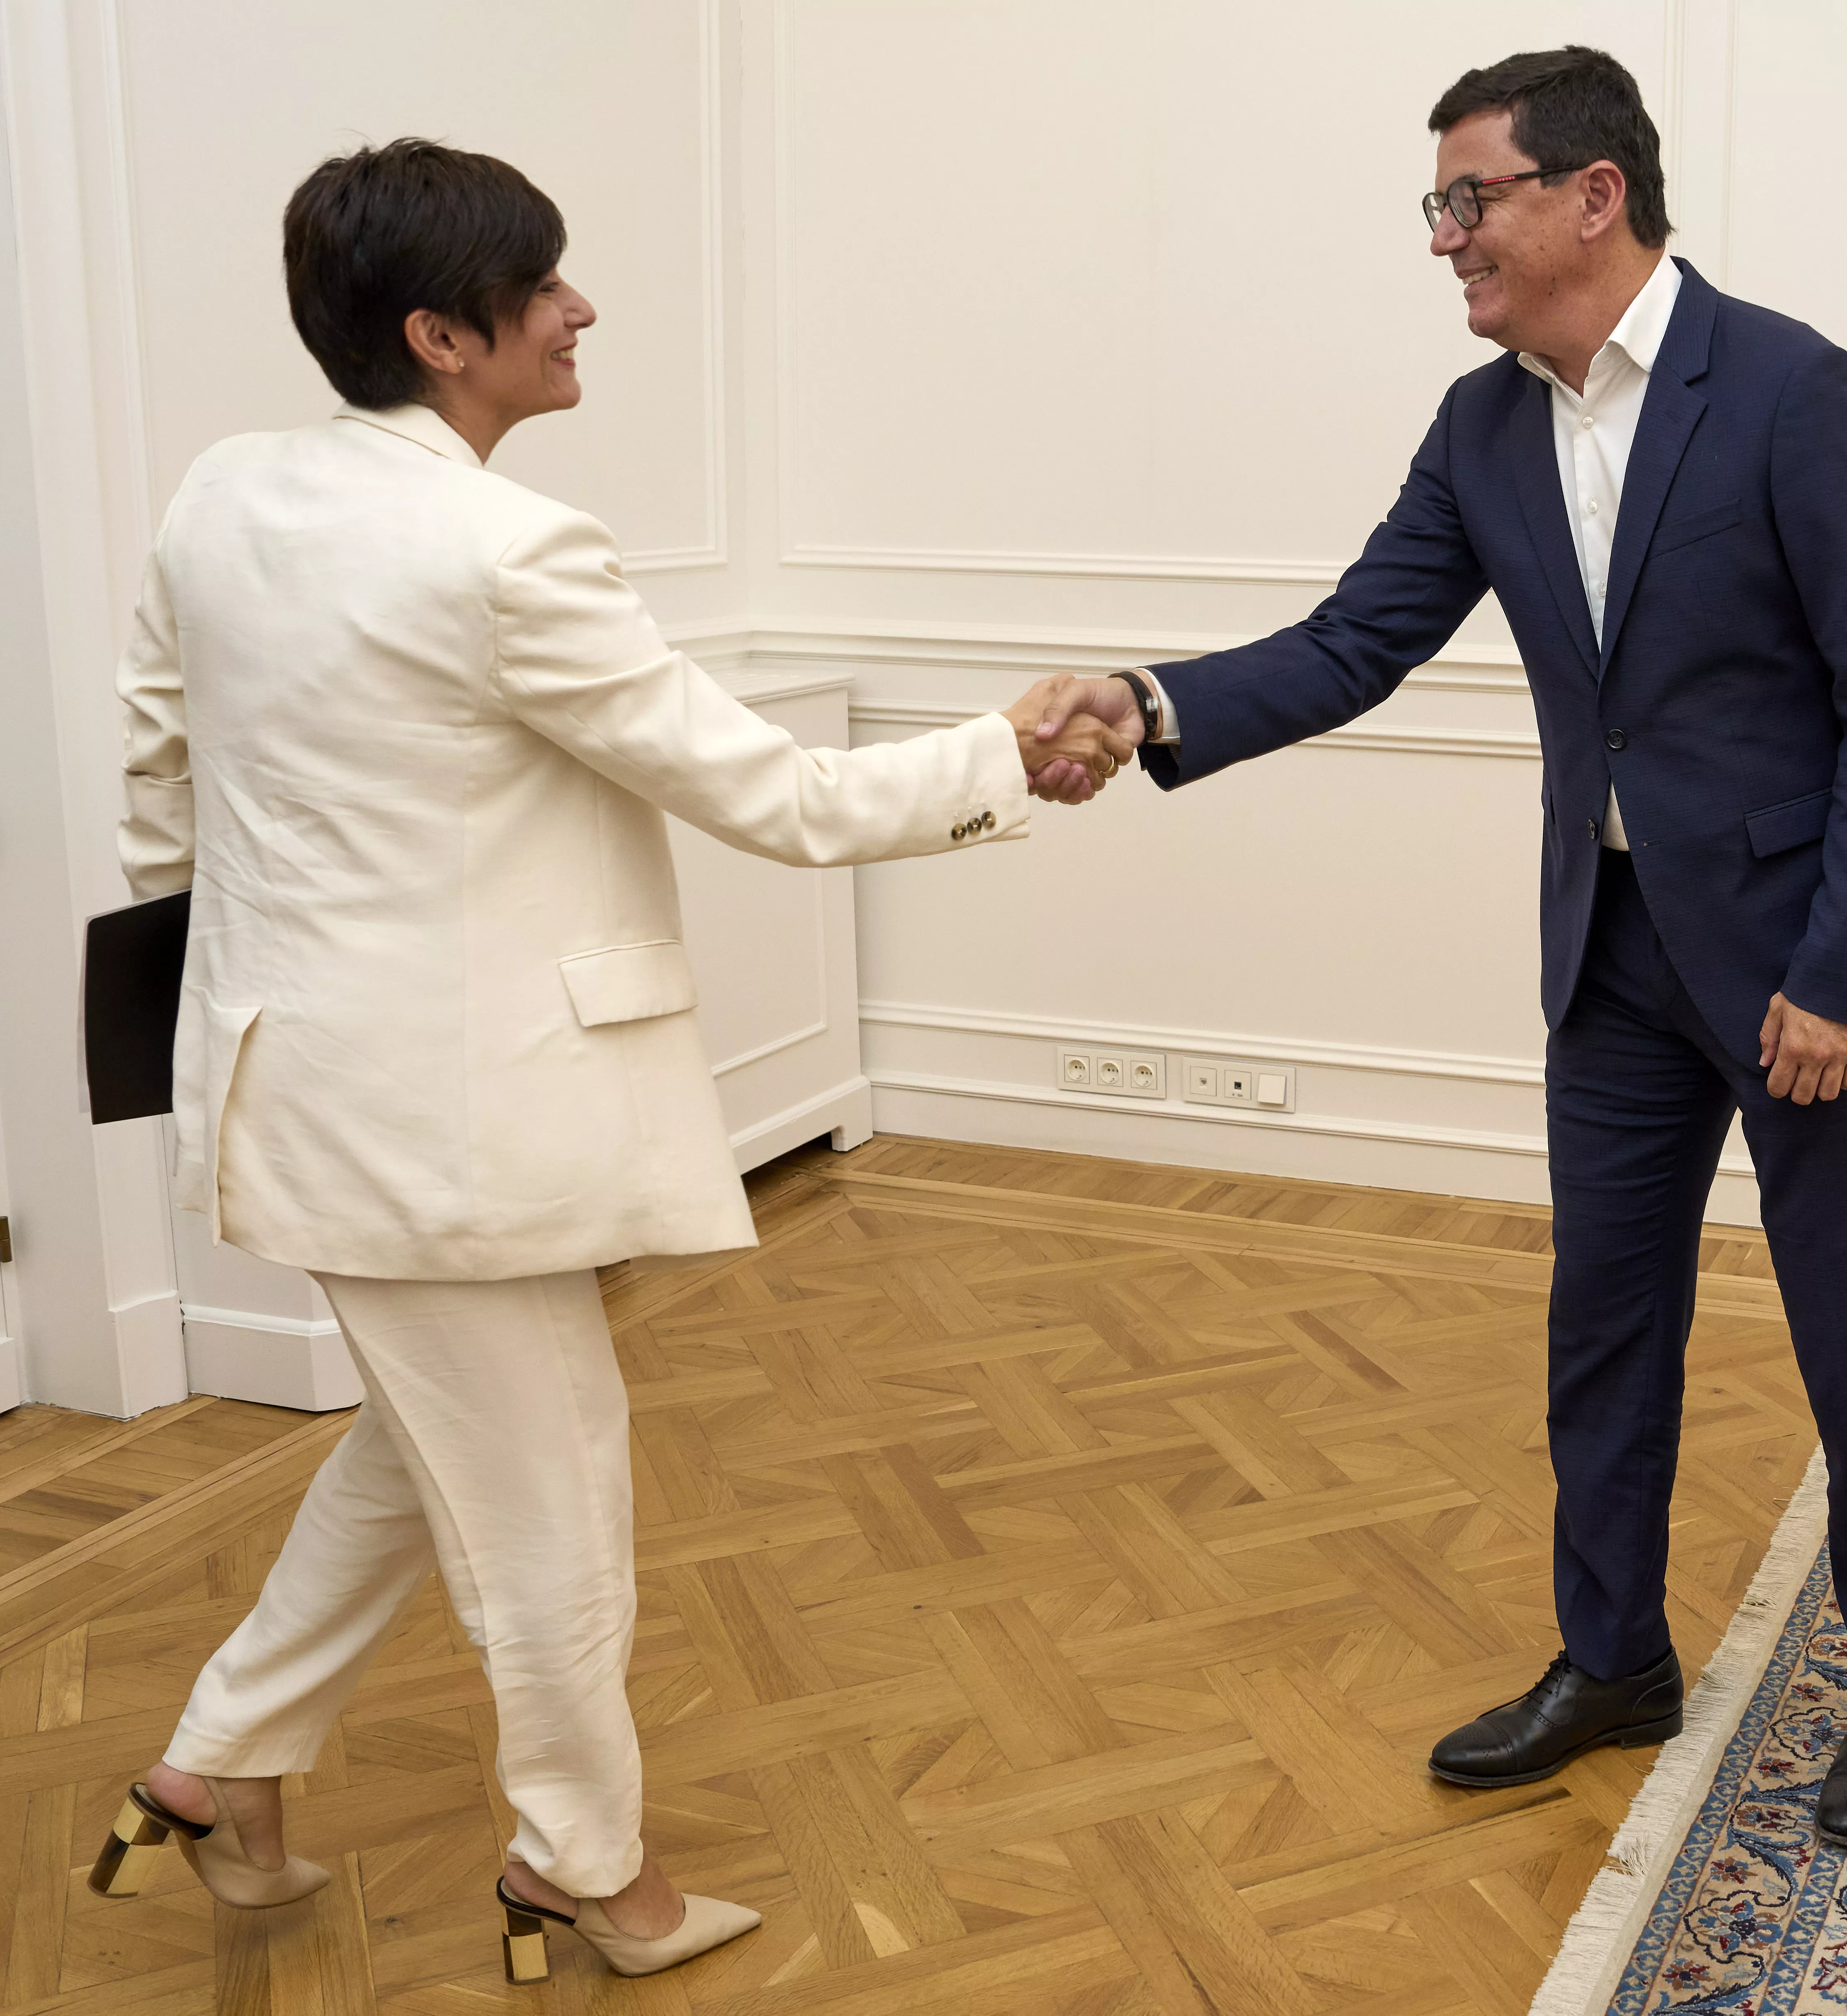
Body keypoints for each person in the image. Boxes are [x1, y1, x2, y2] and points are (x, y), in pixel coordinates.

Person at [84, 139, 1131, 1982]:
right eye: (545, 286)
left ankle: (215, 1767)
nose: (580, 310)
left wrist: (261, 965)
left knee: (426, 1462)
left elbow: (159, 781)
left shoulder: (221, 496)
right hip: (451, 1125)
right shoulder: (503, 548)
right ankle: (584, 1868)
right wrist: (1001, 745)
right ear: (441, 334)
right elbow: (777, 799)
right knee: (552, 1515)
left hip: (304, 1091)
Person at [1033, 46, 1847, 1852]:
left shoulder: (1787, 388)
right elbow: (1349, 640)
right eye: (1438, 207)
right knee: (1599, 1328)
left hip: (1806, 967)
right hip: (1610, 954)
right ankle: (1611, 1660)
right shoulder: (1479, 427)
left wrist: (1844, 972)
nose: (1444, 240)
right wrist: (1142, 703)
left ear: (1588, 195)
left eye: (1471, 199)